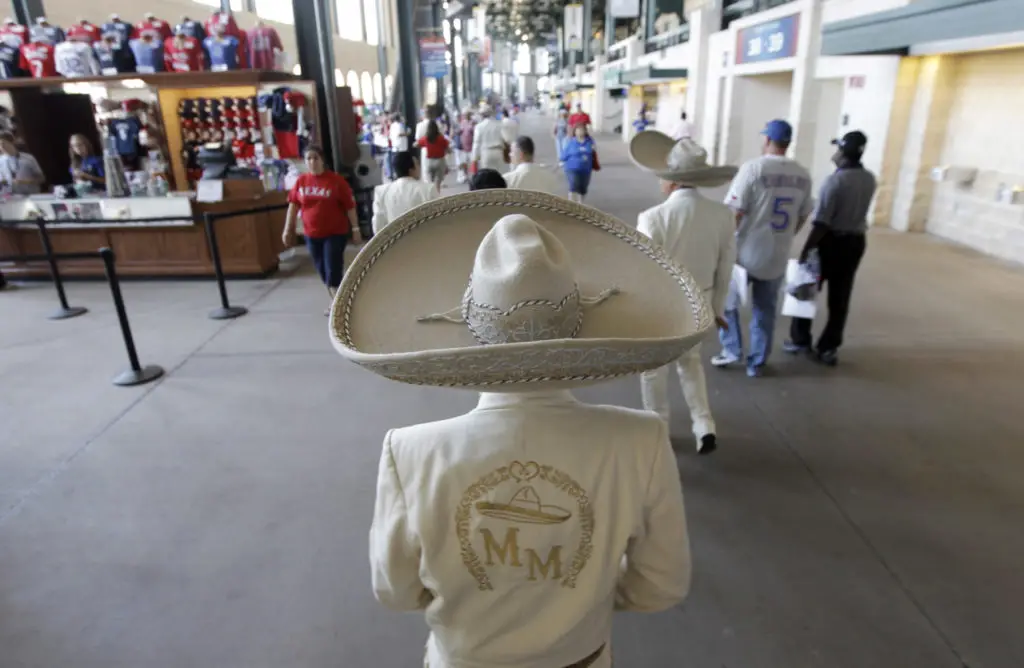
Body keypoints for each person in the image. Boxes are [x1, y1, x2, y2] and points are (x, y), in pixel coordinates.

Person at [330, 189, 702, 668]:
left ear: (468, 332)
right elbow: (661, 584)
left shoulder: (412, 454)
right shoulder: (639, 441)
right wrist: (579, 600)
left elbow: (396, 590)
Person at [630, 132, 738, 454]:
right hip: (701, 301)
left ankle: (658, 426)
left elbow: (644, 271)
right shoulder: (722, 216)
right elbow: (726, 267)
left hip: (663, 305)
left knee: (653, 368)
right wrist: (717, 310)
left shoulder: (653, 218)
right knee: (691, 364)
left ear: (672, 182)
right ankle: (704, 426)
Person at [714, 119, 813, 378]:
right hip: (777, 254)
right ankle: (757, 362)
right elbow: (803, 215)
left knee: (727, 301)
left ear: (767, 140)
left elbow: (735, 211)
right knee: (765, 309)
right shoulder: (803, 174)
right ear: (788, 143)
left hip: (745, 252)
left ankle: (732, 348)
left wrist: (722, 243)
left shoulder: (753, 168)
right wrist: (787, 236)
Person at [785, 130, 877, 366]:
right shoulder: (869, 179)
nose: (834, 154)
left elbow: (822, 222)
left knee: (806, 290)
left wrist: (806, 250)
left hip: (830, 242)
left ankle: (800, 339)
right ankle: (829, 347)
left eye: (838, 149)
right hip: (855, 242)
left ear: (843, 154)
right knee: (840, 296)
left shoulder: (834, 182)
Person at [281, 146, 362, 315]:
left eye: (315, 158)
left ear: (323, 160)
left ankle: (340, 304)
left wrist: (355, 228)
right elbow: (293, 206)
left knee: (332, 267)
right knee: (322, 270)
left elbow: (350, 207)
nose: (312, 162)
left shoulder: (336, 181)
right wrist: (288, 229)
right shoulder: (301, 181)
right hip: (312, 234)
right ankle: (336, 301)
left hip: (335, 233)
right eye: (308, 158)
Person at [371, 150, 438, 233]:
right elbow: (438, 221)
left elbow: (378, 225)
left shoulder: (381, 191)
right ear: (411, 170)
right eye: (417, 164)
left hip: (395, 242)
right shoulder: (428, 189)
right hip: (424, 240)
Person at [560, 122, 598, 204]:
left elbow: (593, 151)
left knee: (583, 187)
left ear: (585, 131)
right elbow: (564, 153)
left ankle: (580, 203)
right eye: (578, 130)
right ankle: (571, 202)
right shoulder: (570, 142)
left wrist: (593, 149)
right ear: (575, 132)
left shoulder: (589, 141)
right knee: (574, 183)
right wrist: (562, 160)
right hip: (572, 167)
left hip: (586, 168)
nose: (580, 132)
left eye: (582, 130)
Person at [416, 120, 450, 193]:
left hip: (429, 162)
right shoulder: (441, 138)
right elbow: (447, 147)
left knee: (430, 182)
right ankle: (437, 196)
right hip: (440, 161)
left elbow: (416, 144)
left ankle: (431, 197)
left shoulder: (426, 138)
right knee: (437, 183)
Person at [471, 104, 507, 172]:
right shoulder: (499, 124)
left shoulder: (479, 127)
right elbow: (505, 138)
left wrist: (474, 159)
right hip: (498, 152)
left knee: (487, 176)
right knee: (499, 175)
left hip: (486, 153)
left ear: (481, 115)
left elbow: (476, 144)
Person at [388, 113, 409, 177]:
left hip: (396, 147)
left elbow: (391, 136)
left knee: (397, 162)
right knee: (401, 163)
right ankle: (400, 175)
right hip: (401, 147)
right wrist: (407, 133)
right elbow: (399, 134)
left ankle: (397, 174)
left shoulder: (392, 125)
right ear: (399, 118)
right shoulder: (399, 125)